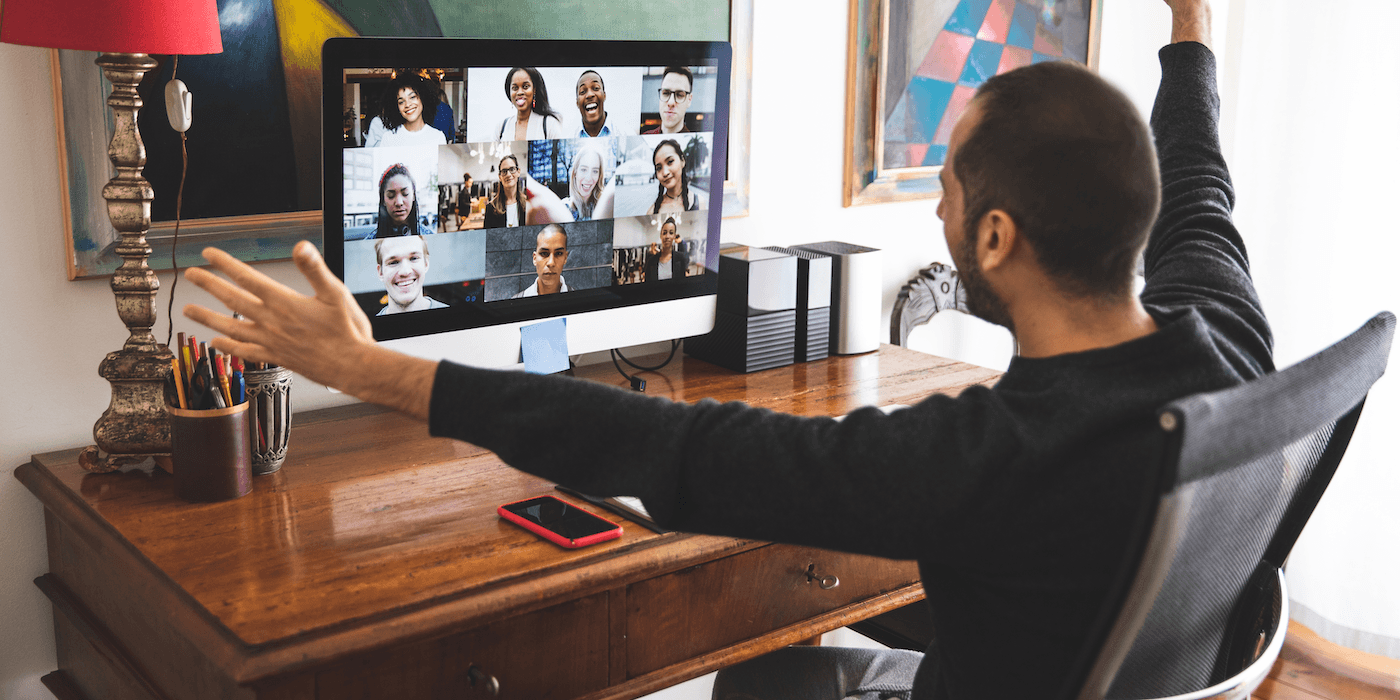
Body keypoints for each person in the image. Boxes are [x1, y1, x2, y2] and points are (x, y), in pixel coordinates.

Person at [182, 2, 1265, 697]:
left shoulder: (983, 460)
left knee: (755, 682)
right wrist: (1190, 31)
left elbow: (677, 449)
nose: (932, 206)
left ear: (994, 236)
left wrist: (370, 368)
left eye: (945, 185)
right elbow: (1199, 181)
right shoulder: (1227, 345)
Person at [484, 154, 575, 228]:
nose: (508, 174)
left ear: (518, 172)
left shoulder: (529, 206)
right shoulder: (490, 208)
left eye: (512, 169)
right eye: (504, 171)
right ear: (500, 176)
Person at [364, 72, 448, 148]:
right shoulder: (389, 138)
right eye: (401, 102)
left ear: (423, 98)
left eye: (412, 97)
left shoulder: (437, 137)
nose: (407, 105)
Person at [374, 235, 447, 315]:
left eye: (414, 258)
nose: (405, 272)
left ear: (426, 264)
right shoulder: (367, 327)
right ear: (380, 272)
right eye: (393, 262)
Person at [497, 67, 563, 141]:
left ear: (534, 90)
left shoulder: (550, 124)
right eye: (515, 88)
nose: (519, 92)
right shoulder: (501, 127)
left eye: (525, 87)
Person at [645, 139, 706, 215]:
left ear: (682, 161)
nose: (665, 173)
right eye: (659, 168)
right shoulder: (652, 211)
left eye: (670, 162)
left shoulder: (699, 202)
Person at [374, 164, 434, 238]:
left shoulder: (430, 237)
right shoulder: (370, 241)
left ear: (414, 196)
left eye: (405, 194)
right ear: (383, 200)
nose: (399, 203)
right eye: (391, 195)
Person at [510, 225, 570, 298]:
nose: (551, 263)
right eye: (544, 253)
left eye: (558, 253)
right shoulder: (517, 301)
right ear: (534, 258)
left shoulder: (578, 299)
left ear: (565, 258)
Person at [573, 70, 631, 138]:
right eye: (582, 92)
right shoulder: (567, 138)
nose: (589, 95)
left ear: (604, 96)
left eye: (596, 88)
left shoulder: (625, 134)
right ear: (577, 103)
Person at [642, 66, 693, 135]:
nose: (671, 102)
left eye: (679, 95)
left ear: (689, 100)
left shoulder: (695, 144)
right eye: (665, 93)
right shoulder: (645, 137)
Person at [565, 144, 606, 221]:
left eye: (595, 171)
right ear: (575, 173)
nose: (588, 178)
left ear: (599, 176)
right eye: (583, 170)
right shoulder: (563, 209)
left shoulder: (605, 207)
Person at [643, 217, 688, 281]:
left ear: (674, 236)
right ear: (661, 236)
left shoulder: (680, 258)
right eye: (664, 233)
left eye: (671, 233)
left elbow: (683, 284)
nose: (667, 236)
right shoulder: (651, 260)